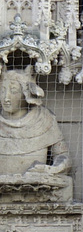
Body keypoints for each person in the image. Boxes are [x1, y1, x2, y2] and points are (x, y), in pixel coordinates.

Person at [0, 68, 72, 200]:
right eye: (2, 90)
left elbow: (63, 157)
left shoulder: (44, 119)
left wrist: (50, 170)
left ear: (26, 93)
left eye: (14, 91)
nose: (6, 98)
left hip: (38, 196)